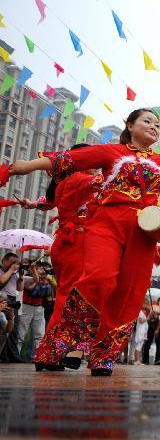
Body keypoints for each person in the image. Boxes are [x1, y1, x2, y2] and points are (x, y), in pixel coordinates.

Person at [9, 108, 160, 375]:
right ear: (130, 125)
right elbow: (67, 159)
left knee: (130, 293)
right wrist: (24, 167)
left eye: (157, 124)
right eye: (147, 121)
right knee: (99, 278)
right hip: (106, 224)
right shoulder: (110, 152)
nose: (154, 126)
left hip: (143, 232)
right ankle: (55, 346)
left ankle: (104, 356)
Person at [19, 143, 101, 368]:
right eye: (93, 159)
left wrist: (33, 204)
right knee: (83, 298)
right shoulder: (81, 179)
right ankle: (75, 350)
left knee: (65, 300)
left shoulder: (65, 181)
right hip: (77, 244)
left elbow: (49, 202)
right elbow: (110, 184)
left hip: (67, 244)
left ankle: (47, 355)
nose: (98, 165)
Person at [17, 261, 52, 362]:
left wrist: (45, 279)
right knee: (21, 332)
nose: (41, 270)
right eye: (38, 268)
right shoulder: (27, 278)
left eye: (41, 268)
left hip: (40, 307)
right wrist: (36, 274)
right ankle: (16, 354)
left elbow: (47, 293)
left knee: (40, 334)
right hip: (27, 306)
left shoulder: (46, 280)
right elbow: (32, 290)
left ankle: (37, 356)